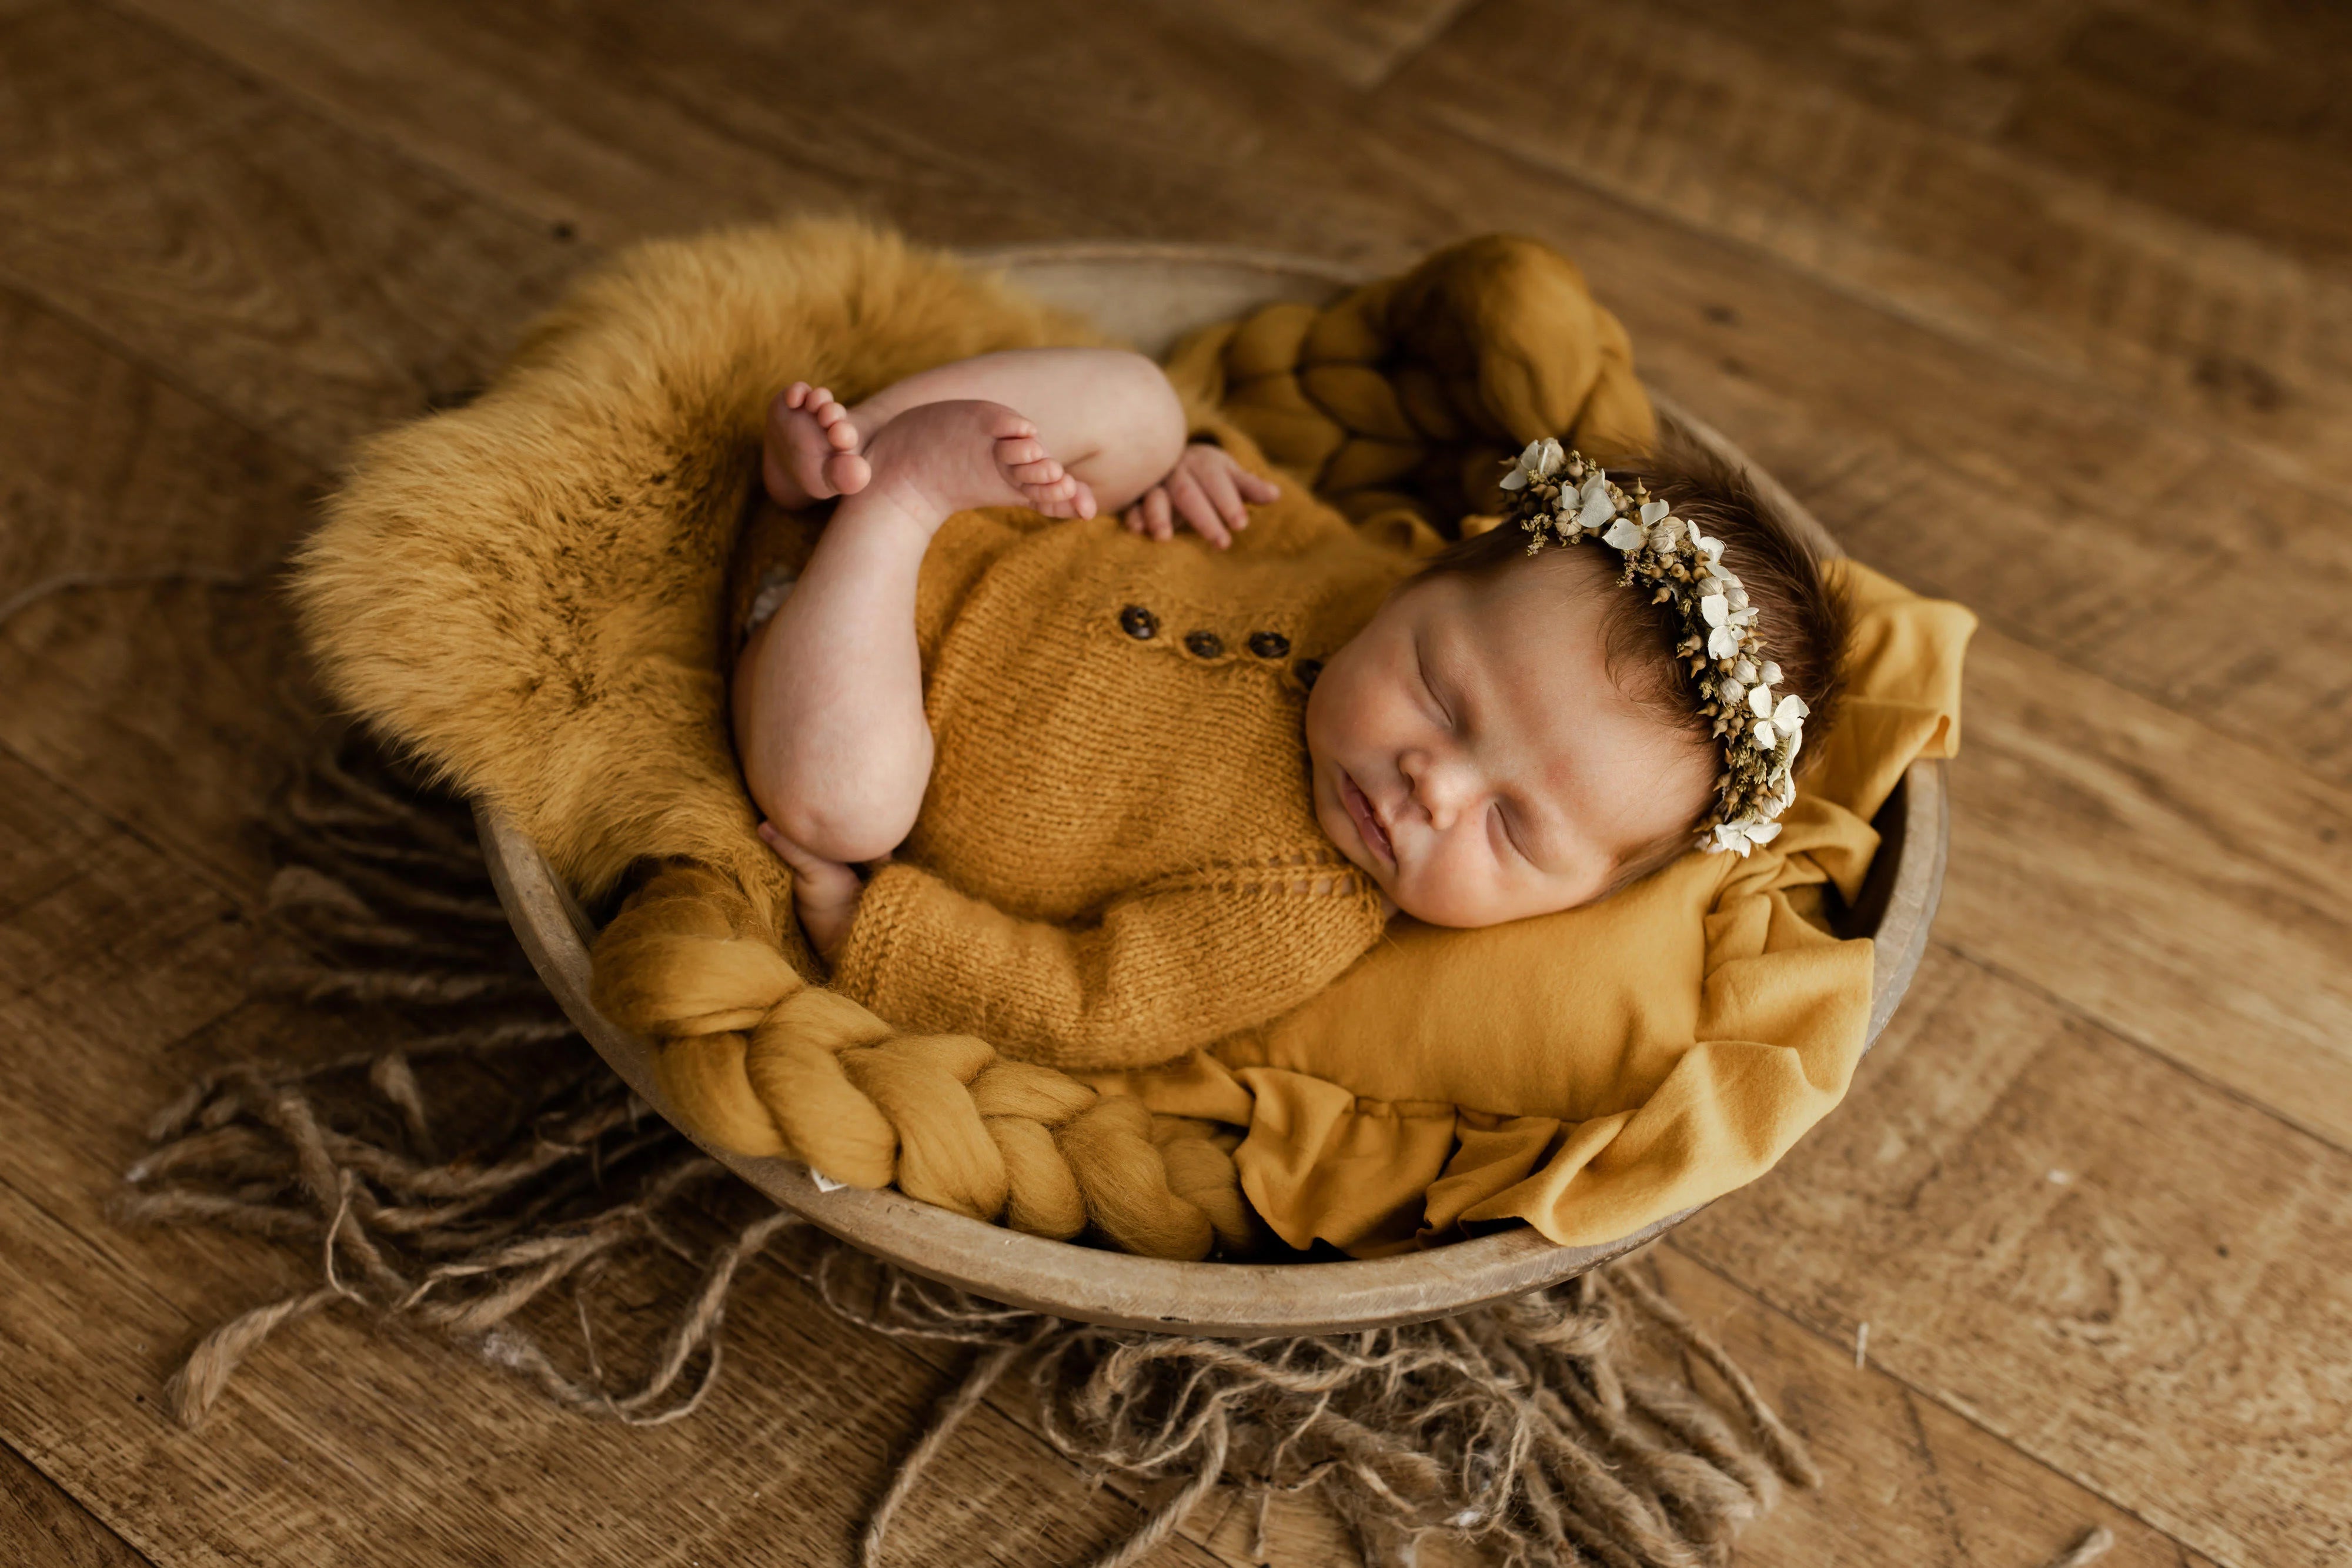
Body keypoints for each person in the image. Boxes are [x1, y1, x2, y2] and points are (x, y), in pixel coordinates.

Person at [731, 347, 1845, 1068]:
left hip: (840, 674)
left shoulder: (1296, 910)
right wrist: (1193, 477)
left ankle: (890, 501)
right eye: (1440, 695)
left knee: (851, 808)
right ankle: (847, 457)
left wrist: (880, 932)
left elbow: (1088, 1007)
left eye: (1510, 828)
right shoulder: (1354, 579)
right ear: (1423, 585)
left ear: (1585, 898)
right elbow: (1260, 518)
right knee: (1144, 408)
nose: (1434, 786)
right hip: (1007, 519)